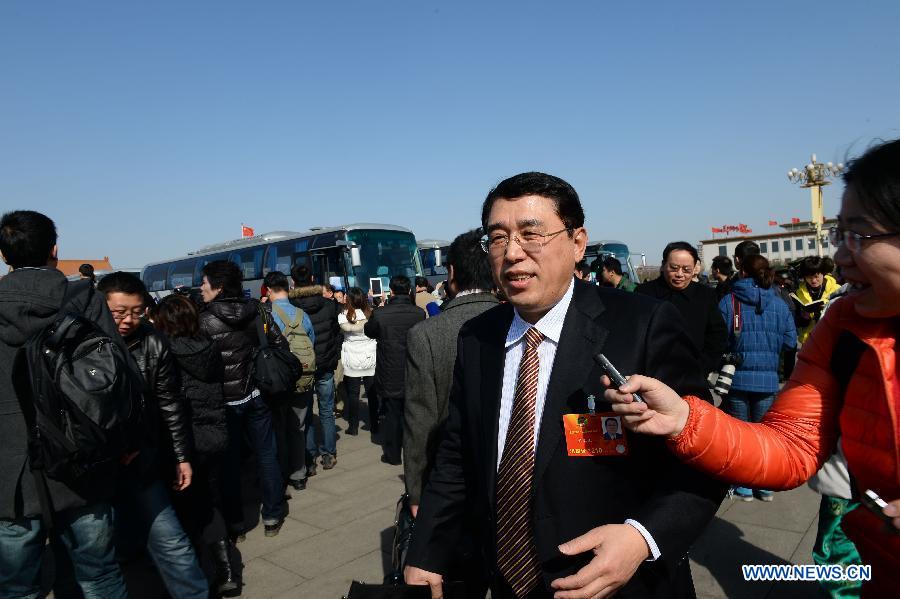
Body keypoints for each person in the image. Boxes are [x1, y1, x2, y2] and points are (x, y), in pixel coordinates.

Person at [405, 172, 725, 599]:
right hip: (506, 579)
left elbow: (707, 453)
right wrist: (426, 548)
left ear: (577, 243)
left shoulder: (642, 326)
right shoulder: (477, 337)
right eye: (498, 238)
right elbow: (457, 452)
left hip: (616, 582)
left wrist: (643, 538)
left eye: (531, 234)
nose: (513, 254)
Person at [602, 139, 900, 596]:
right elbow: (790, 447)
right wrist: (685, 419)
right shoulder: (842, 329)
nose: (839, 256)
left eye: (860, 235)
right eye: (840, 233)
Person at [0, 211, 128, 598]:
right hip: (82, 462)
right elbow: (117, 379)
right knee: (99, 577)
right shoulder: (84, 299)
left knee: (17, 588)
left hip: (10, 477)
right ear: (56, 250)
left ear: (5, 256)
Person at [95, 273, 207, 598]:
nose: (128, 320)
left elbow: (170, 403)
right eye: (119, 312)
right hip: (98, 466)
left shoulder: (153, 342)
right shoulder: (83, 341)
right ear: (101, 307)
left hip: (144, 458)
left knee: (171, 540)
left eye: (136, 311)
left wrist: (181, 456)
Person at [404, 229, 499, 517]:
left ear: (452, 271)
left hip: (448, 484)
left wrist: (417, 490)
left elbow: (420, 422)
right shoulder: (518, 324)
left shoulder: (426, 334)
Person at [153, 293, 237, 595]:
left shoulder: (164, 352)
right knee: (210, 503)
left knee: (185, 510)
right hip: (215, 435)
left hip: (184, 442)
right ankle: (228, 571)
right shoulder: (209, 346)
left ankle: (196, 572)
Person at [199, 260, 287, 538]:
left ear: (218, 286)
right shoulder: (257, 310)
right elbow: (279, 344)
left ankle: (236, 523)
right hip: (256, 393)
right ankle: (272, 514)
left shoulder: (203, 319)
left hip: (224, 401)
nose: (201, 288)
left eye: (204, 283)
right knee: (266, 455)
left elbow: (200, 364)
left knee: (229, 464)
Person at [717, 255, 797, 502]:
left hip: (737, 380)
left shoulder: (729, 302)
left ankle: (743, 486)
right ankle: (765, 485)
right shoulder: (780, 303)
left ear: (741, 272)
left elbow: (719, 340)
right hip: (768, 380)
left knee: (741, 435)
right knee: (765, 434)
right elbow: (790, 342)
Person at [636, 241, 728, 376]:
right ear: (663, 265)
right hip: (652, 374)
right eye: (674, 268)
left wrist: (703, 366)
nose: (679, 274)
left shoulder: (705, 295)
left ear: (695, 268)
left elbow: (717, 335)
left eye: (686, 270)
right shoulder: (644, 293)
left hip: (693, 374)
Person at [264, 271, 316, 492]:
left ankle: (281, 474)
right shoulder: (301, 314)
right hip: (303, 376)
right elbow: (311, 341)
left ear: (267, 290)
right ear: (288, 288)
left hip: (277, 380)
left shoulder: (266, 313)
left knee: (277, 428)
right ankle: (299, 474)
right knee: (298, 427)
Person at [364, 275, 425, 465]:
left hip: (389, 368)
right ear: (409, 291)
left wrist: (376, 307)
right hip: (412, 367)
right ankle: (412, 449)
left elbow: (369, 331)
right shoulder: (418, 313)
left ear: (390, 291)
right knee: (411, 412)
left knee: (392, 413)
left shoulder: (381, 313)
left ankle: (392, 454)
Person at [289, 265, 341, 471]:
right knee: (327, 411)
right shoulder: (328, 305)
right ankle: (329, 454)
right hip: (325, 365)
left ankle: (309, 457)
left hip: (302, 367)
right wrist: (333, 356)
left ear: (293, 281)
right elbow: (336, 334)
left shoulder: (291, 306)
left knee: (306, 411)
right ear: (312, 278)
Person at [338, 287, 378, 436]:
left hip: (352, 357)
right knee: (372, 393)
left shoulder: (343, 315)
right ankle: (375, 425)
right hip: (369, 356)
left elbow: (344, 330)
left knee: (353, 394)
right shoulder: (370, 313)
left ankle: (353, 426)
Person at [793, 255, 842, 345]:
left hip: (833, 339)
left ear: (823, 273)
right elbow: (796, 322)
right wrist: (804, 318)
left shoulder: (837, 290)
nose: (813, 280)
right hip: (809, 341)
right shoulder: (799, 293)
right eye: (809, 277)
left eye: (816, 276)